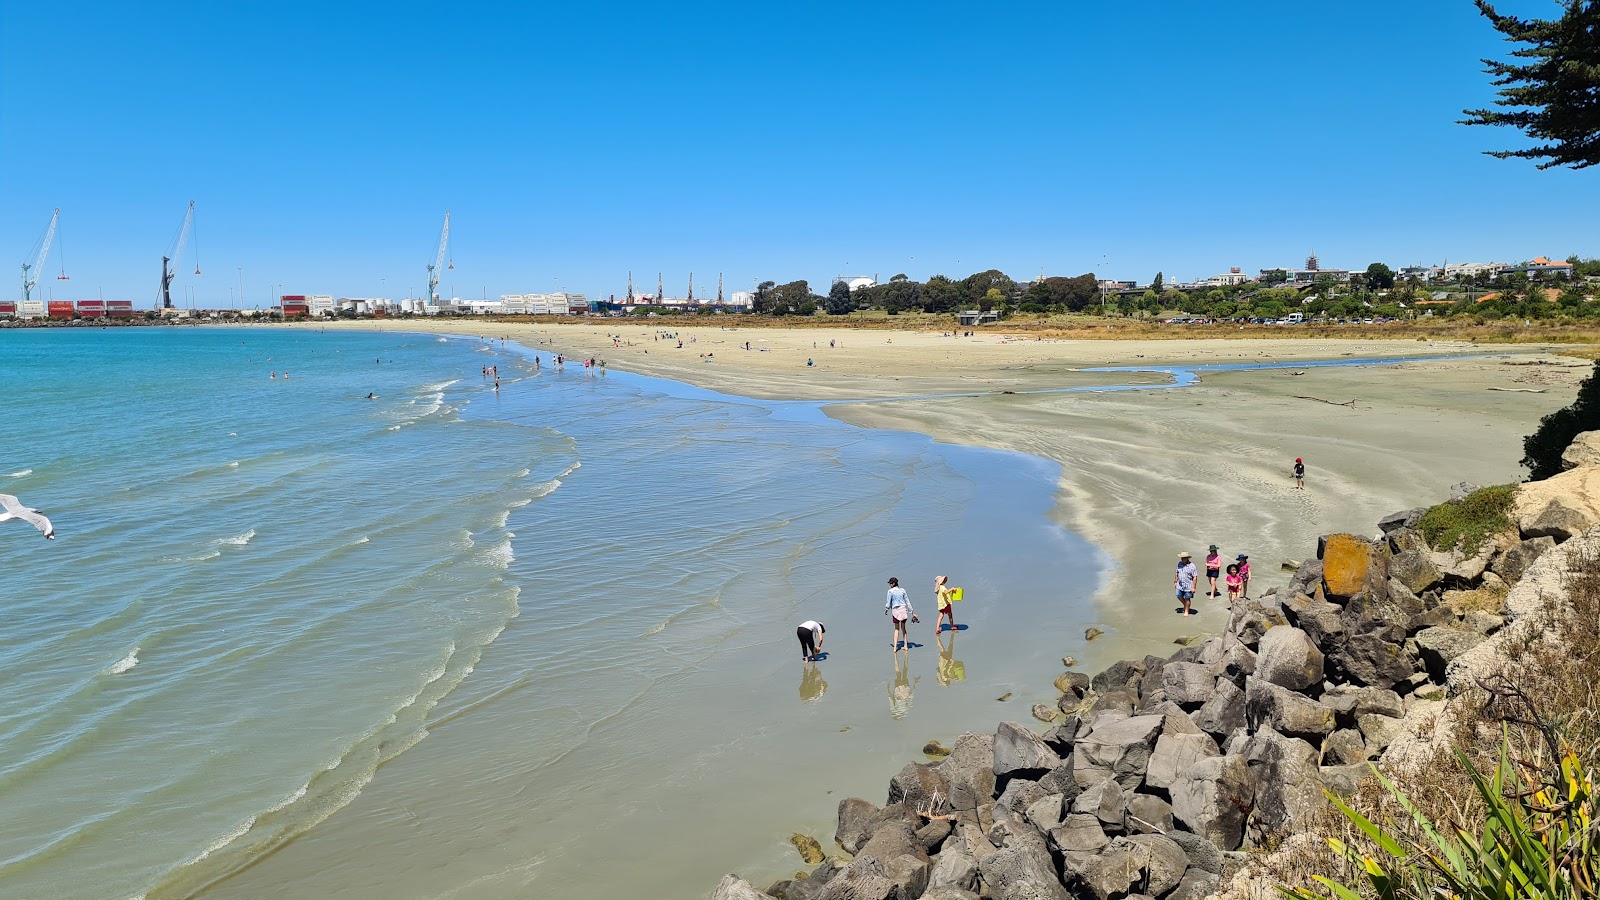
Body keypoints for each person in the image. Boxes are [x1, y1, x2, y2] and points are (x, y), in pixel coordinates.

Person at [885, 577, 917, 652]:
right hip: (903, 611)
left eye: (890, 583)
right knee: (903, 628)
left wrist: (886, 609)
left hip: (895, 611)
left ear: (893, 584)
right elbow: (907, 602)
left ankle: (895, 647)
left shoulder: (890, 591)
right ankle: (906, 646)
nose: (889, 585)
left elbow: (888, 602)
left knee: (896, 629)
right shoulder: (903, 590)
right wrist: (911, 612)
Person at [1174, 551, 1198, 616]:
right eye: (1181, 558)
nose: (1182, 559)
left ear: (1187, 558)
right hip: (1180, 585)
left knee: (1187, 598)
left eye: (1184, 558)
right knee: (1178, 595)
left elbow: (1195, 577)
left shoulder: (1192, 566)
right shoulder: (1179, 564)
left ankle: (1186, 611)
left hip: (1188, 586)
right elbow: (1177, 573)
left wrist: (1194, 587)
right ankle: (1185, 604)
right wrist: (1175, 582)